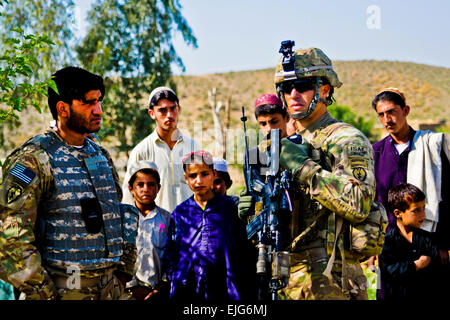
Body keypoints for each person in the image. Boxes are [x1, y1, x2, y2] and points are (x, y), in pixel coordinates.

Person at [240, 46, 376, 300]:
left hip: (333, 282)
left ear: (324, 89)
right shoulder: (281, 142)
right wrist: (252, 209)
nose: (293, 94)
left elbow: (359, 203)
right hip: (286, 282)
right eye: (287, 88)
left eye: (302, 85)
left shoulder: (345, 139)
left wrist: (304, 168)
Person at [0, 66, 138, 300]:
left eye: (99, 101)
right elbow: (10, 239)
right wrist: (44, 293)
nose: (98, 110)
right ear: (62, 108)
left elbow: (115, 213)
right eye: (88, 103)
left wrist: (122, 272)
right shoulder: (34, 159)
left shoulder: (100, 155)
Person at [162, 150, 251, 301]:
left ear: (213, 174)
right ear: (186, 179)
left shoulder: (230, 209)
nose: (199, 181)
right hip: (188, 289)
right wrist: (176, 277)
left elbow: (244, 250)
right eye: (193, 176)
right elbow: (170, 250)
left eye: (204, 174)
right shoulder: (180, 212)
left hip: (225, 288)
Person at [372, 88, 450, 259]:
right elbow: (374, 201)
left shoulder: (432, 147)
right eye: (381, 114)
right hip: (390, 244)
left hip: (428, 243)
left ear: (405, 110)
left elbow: (445, 195)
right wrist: (372, 245)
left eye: (391, 112)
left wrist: (444, 244)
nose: (387, 119)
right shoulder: (376, 152)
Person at [122, 87, 200, 213]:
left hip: (190, 227)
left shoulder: (193, 147)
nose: (169, 115)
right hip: (157, 228)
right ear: (152, 114)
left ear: (178, 109)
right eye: (162, 110)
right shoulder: (141, 151)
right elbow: (128, 197)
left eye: (173, 108)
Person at [378, 183, 448, 299]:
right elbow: (387, 272)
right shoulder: (387, 241)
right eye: (416, 210)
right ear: (398, 213)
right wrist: (415, 266)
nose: (423, 215)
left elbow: (437, 272)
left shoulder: (428, 239)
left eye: (423, 208)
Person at [124, 160, 170, 301]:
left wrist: (161, 287)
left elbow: (172, 255)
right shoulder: (122, 217)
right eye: (140, 185)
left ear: (158, 188)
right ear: (131, 188)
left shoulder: (167, 219)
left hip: (156, 293)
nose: (145, 189)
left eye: (151, 184)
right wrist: (131, 287)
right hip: (125, 292)